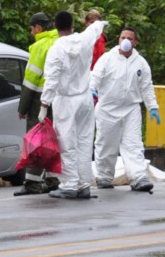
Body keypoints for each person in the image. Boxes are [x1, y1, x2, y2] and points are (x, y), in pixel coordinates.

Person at [40, 11, 108, 199]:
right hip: (85, 98)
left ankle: (69, 184)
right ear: (72, 25)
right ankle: (83, 184)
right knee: (84, 141)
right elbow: (95, 28)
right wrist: (103, 23)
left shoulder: (56, 49)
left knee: (66, 142)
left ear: (55, 26)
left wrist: (44, 104)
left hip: (65, 100)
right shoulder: (85, 40)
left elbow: (51, 79)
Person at [91, 27, 161, 192]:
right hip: (107, 109)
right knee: (106, 144)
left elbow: (146, 87)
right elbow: (95, 76)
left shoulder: (141, 63)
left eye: (129, 38)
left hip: (131, 109)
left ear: (135, 42)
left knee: (134, 144)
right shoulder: (107, 59)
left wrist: (153, 107)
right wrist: (92, 89)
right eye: (123, 37)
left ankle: (138, 177)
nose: (126, 41)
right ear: (119, 40)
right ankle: (104, 177)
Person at [14, 12, 60, 196]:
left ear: (38, 28)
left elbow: (31, 80)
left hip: (39, 101)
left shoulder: (39, 47)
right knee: (53, 140)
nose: (31, 32)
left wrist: (22, 108)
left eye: (32, 29)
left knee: (36, 143)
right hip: (60, 100)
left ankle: (32, 183)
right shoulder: (61, 41)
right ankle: (52, 179)